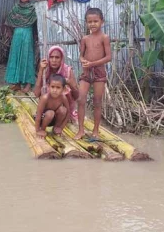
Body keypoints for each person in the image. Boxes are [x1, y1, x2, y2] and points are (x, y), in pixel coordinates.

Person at [74, 8, 112, 141]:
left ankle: (96, 130)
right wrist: (83, 60)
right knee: (81, 99)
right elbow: (81, 56)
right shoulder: (85, 39)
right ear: (86, 23)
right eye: (89, 22)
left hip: (99, 72)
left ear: (102, 21)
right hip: (86, 72)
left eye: (95, 21)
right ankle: (81, 130)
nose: (93, 24)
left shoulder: (104, 38)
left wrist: (93, 63)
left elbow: (108, 57)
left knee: (97, 101)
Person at [33, 46, 79, 123]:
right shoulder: (45, 70)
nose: (54, 60)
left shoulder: (67, 71)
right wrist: (41, 71)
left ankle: (62, 120)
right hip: (48, 111)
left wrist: (70, 84)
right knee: (47, 88)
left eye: (57, 57)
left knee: (64, 91)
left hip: (63, 110)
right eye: (51, 57)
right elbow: (36, 94)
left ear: (61, 59)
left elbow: (77, 96)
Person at [4, 0, 37, 93]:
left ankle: (28, 84)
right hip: (17, 36)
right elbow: (8, 20)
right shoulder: (16, 8)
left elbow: (37, 24)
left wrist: (36, 37)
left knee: (26, 58)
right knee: (16, 57)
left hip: (27, 35)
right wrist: (10, 34)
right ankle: (17, 83)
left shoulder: (33, 9)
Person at [35, 74, 70, 139]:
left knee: (63, 110)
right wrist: (38, 130)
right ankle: (43, 129)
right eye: (52, 87)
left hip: (53, 120)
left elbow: (68, 113)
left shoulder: (63, 98)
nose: (55, 90)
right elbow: (38, 115)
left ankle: (56, 127)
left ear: (64, 89)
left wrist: (61, 127)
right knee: (50, 113)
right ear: (48, 87)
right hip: (43, 119)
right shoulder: (45, 98)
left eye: (58, 87)